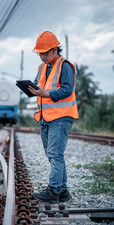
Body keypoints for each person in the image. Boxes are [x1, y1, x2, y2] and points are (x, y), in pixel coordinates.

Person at [28, 31, 79, 204]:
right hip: (45, 117)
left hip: (61, 117)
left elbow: (67, 90)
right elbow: (38, 87)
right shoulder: (42, 68)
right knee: (52, 155)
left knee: (55, 154)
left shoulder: (65, 66)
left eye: (46, 53)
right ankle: (63, 191)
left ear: (55, 49)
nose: (43, 56)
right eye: (40, 53)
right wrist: (30, 89)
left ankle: (54, 191)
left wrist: (45, 94)